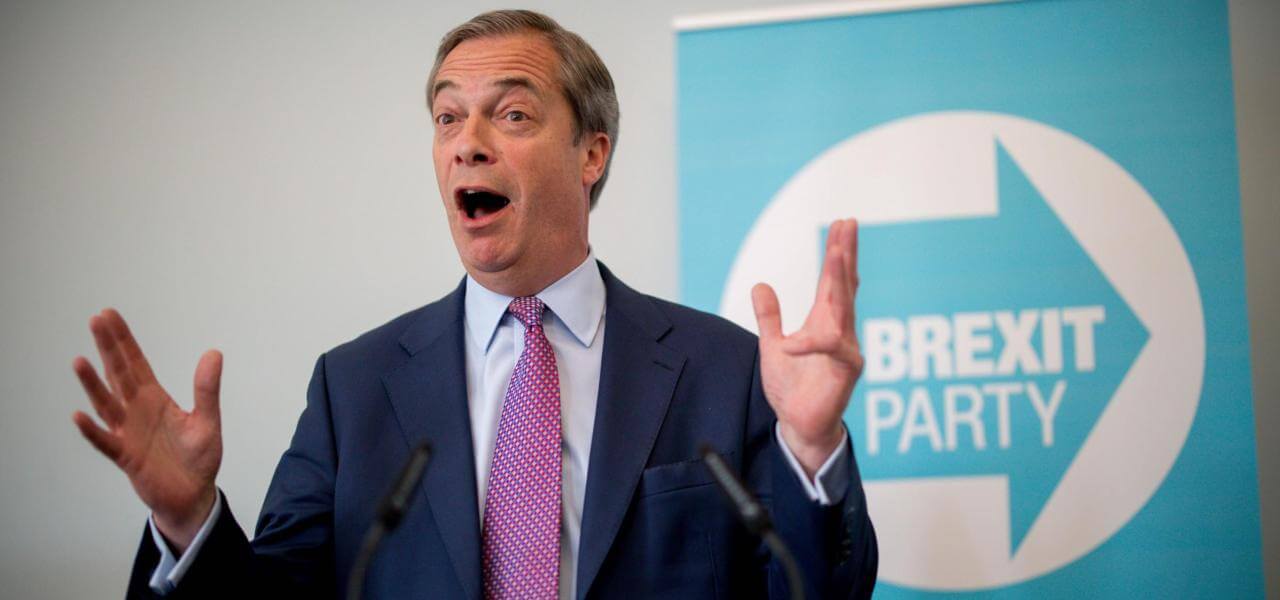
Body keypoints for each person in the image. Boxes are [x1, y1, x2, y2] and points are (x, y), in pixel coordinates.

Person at [71, 9, 877, 600]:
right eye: (448, 117)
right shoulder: (354, 390)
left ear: (591, 153)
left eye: (512, 114)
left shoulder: (724, 369)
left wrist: (812, 450)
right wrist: (190, 523)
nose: (468, 142)